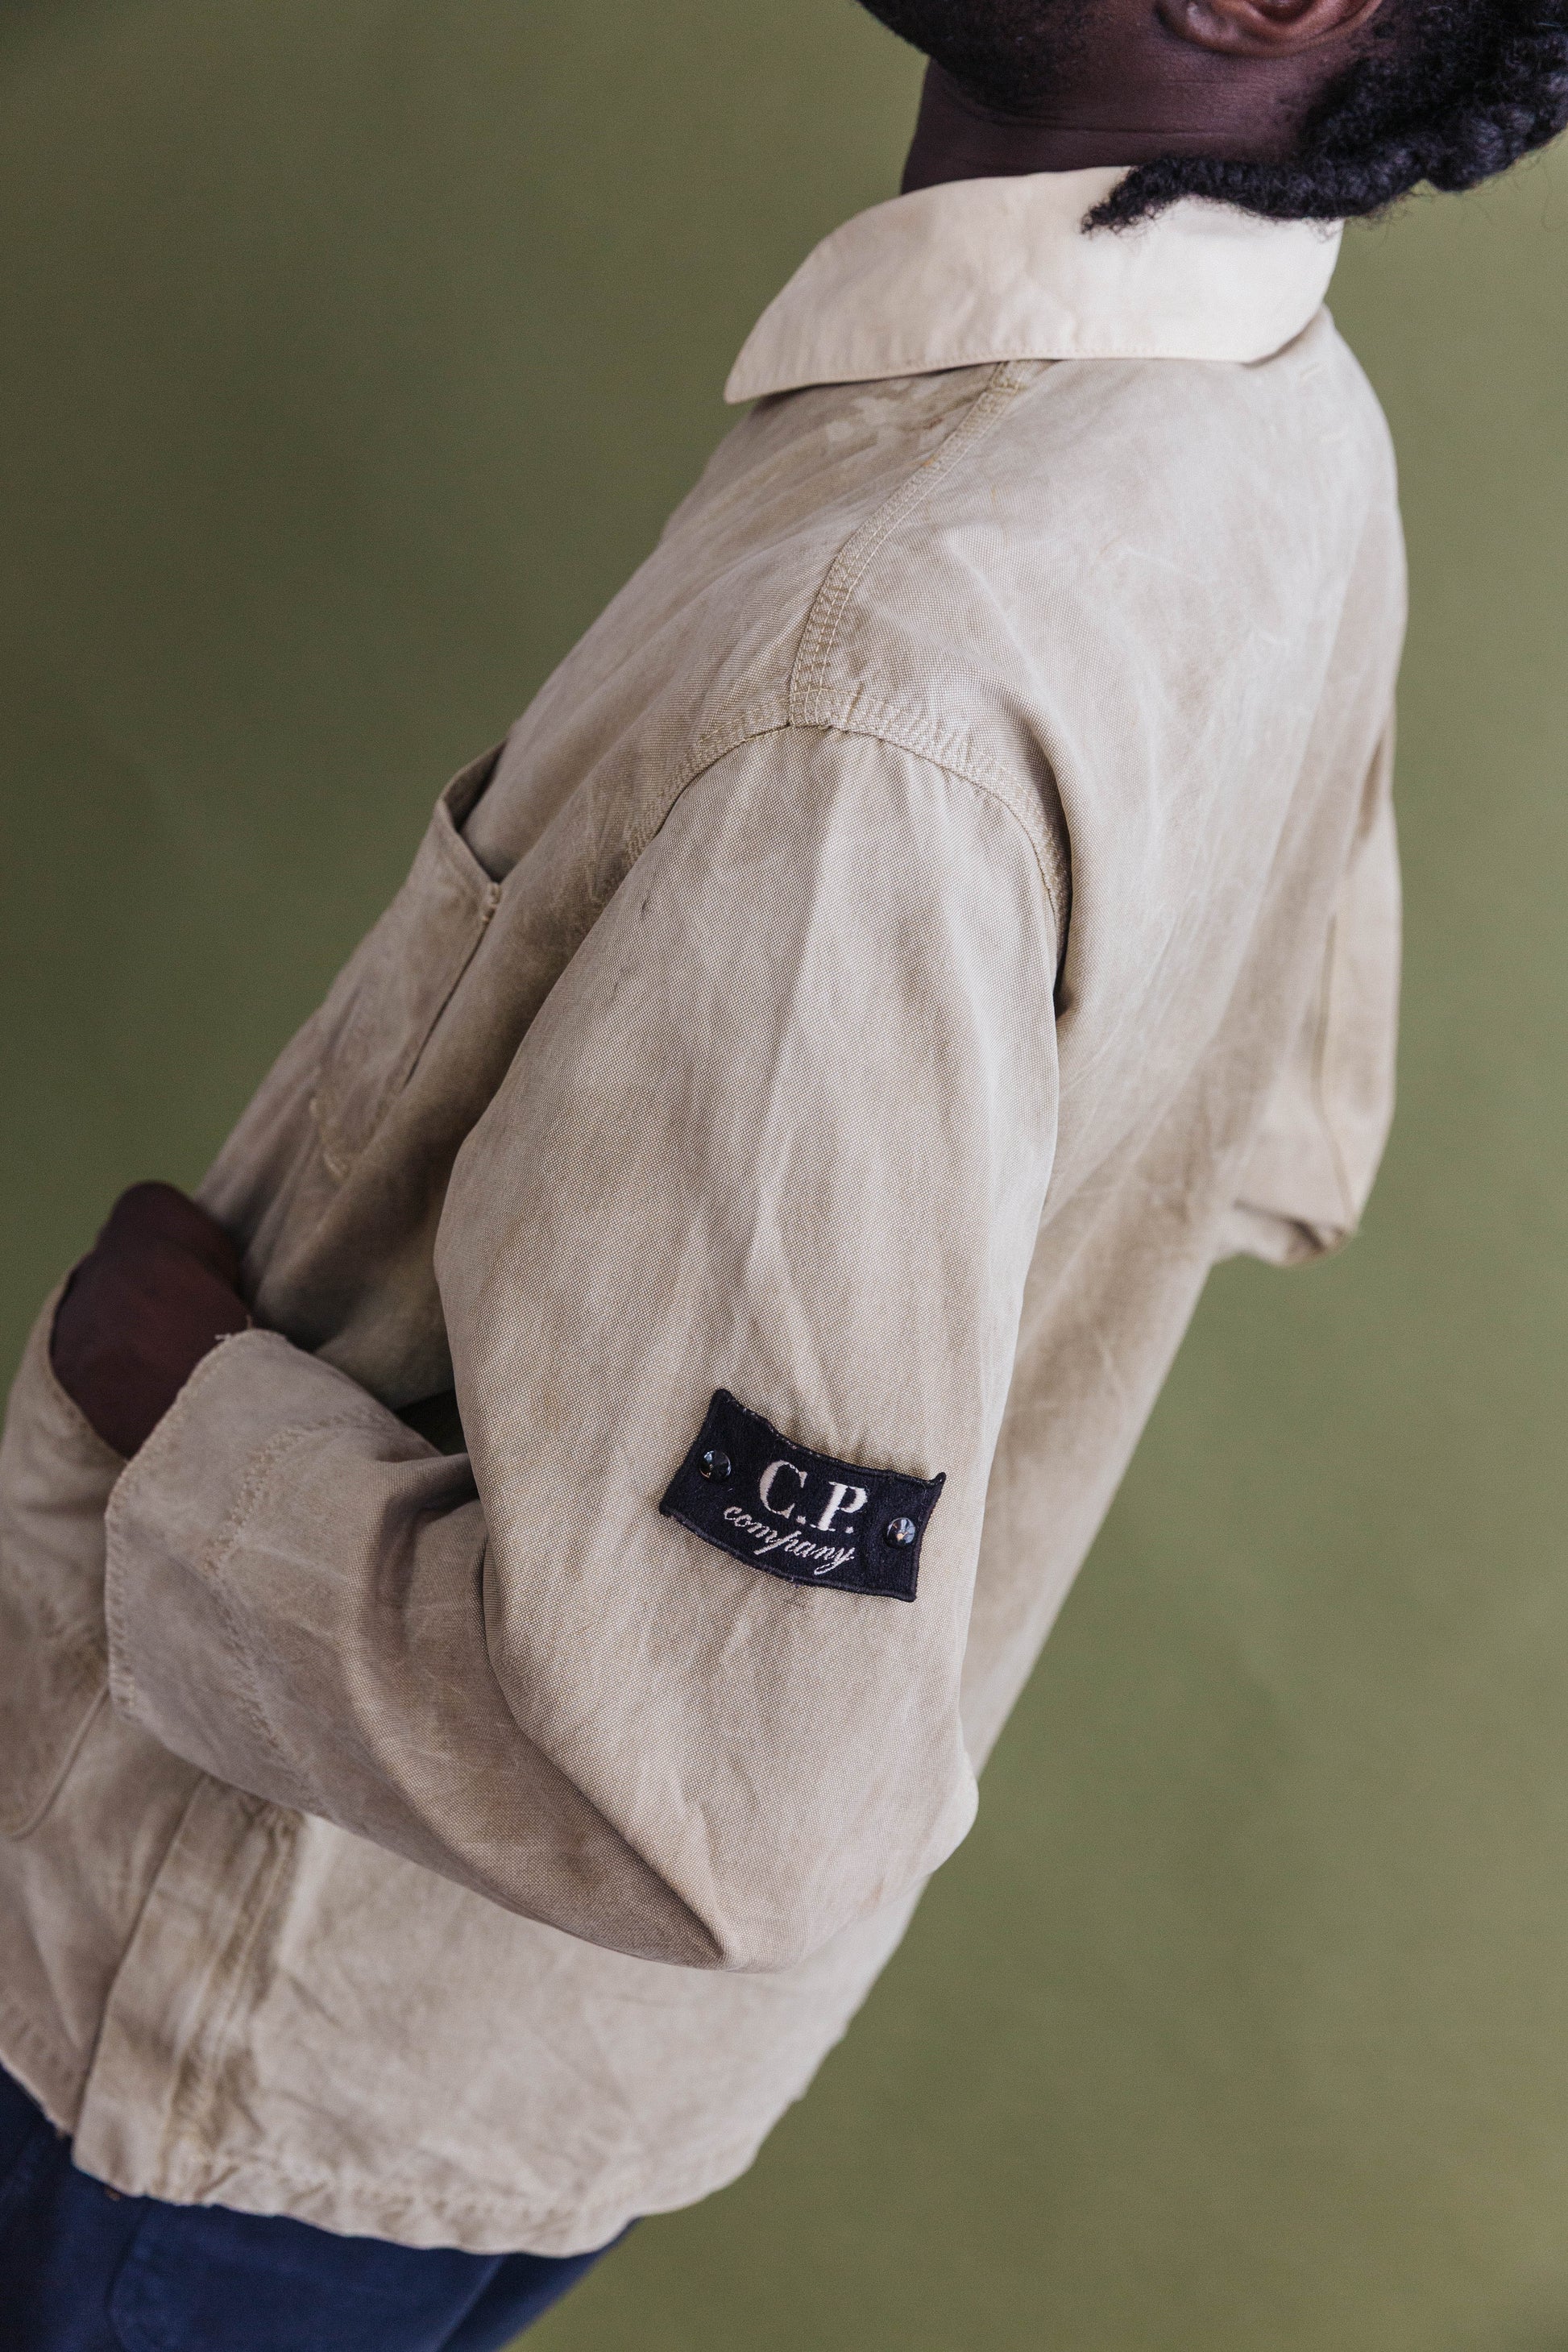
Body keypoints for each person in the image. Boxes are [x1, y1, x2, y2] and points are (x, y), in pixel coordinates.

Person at [2, 0, 1564, 2339]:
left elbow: (716, 1801)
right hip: (516, 2086)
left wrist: (173, 1406)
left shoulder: (887, 684)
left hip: (230, 2060)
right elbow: (1266, 1135)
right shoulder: (1278, 424)